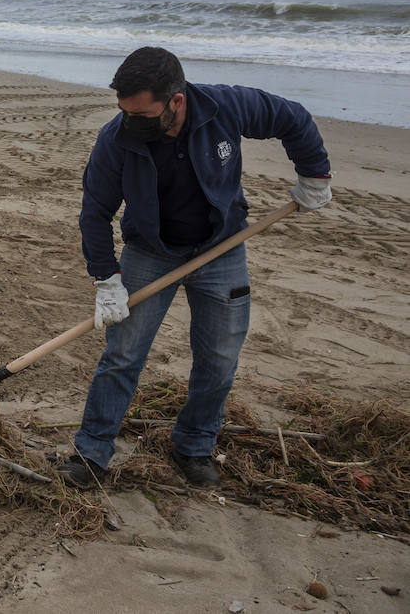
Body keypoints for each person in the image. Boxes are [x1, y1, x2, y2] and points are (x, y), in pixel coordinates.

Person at [57, 46, 332, 488]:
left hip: (222, 249)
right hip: (150, 252)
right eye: (126, 113)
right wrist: (106, 277)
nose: (133, 124)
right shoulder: (117, 138)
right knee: (123, 355)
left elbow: (292, 118)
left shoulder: (225, 106)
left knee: (219, 358)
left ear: (176, 101)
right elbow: (95, 211)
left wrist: (315, 173)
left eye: (144, 116)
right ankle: (92, 452)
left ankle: (195, 445)